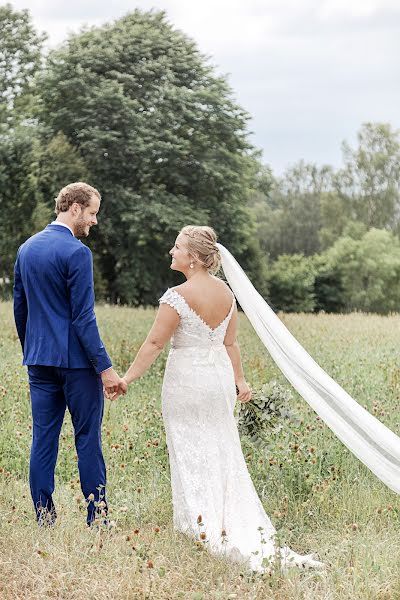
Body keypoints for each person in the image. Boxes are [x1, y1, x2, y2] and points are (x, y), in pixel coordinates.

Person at [121, 225, 323, 572]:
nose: (172, 252)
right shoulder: (228, 295)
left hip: (185, 383)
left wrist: (126, 378)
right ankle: (218, 518)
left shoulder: (176, 296)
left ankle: (197, 523)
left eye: (177, 247)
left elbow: (155, 344)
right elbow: (230, 343)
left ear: (195, 259)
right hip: (217, 382)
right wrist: (239, 382)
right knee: (220, 448)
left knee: (188, 448)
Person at [13, 182, 127, 526]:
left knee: (43, 439)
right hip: (77, 365)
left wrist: (33, 349)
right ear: (74, 207)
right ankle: (98, 517)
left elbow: (21, 309)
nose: (94, 221)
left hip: (39, 361)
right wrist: (105, 368)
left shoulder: (27, 249)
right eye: (92, 213)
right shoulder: (77, 253)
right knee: (87, 438)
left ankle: (45, 517)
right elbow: (83, 318)